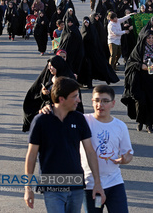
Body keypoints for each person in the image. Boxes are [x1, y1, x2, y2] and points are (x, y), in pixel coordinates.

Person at [24, 77, 105, 212]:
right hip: (51, 186)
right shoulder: (41, 121)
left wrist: (97, 182)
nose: (79, 100)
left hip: (76, 185)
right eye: (75, 97)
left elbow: (90, 152)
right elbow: (31, 156)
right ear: (61, 99)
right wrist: (28, 188)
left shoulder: (79, 119)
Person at [80, 85, 133, 213]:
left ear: (113, 103)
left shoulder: (120, 126)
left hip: (114, 182)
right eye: (97, 100)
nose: (100, 105)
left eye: (105, 101)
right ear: (92, 102)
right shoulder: (83, 121)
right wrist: (47, 108)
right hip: (90, 184)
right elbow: (61, 114)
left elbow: (129, 153)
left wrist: (125, 160)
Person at [122, 29, 153, 133]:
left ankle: (149, 124)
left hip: (152, 79)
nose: (151, 40)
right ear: (144, 38)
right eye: (148, 38)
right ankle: (140, 121)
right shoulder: (138, 49)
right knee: (140, 101)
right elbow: (130, 63)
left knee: (151, 102)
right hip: (139, 79)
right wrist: (141, 66)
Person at [78, 16, 119, 87]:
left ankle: (90, 84)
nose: (86, 24)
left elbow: (95, 40)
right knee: (86, 69)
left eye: (87, 22)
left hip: (93, 53)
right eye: (85, 23)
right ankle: (86, 83)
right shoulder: (82, 30)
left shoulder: (92, 29)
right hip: (85, 54)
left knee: (96, 67)